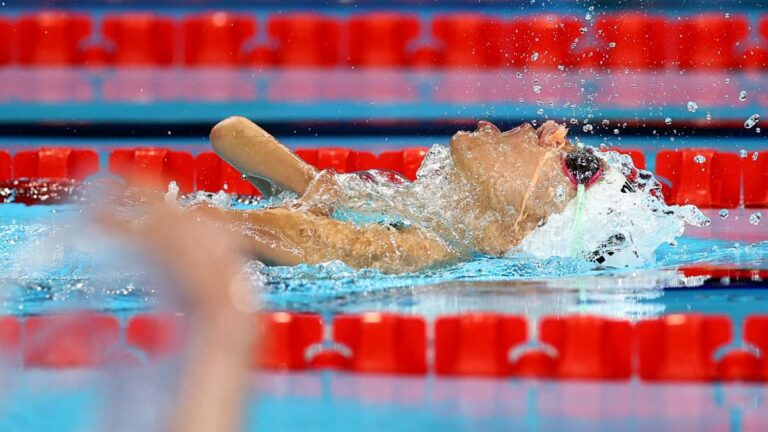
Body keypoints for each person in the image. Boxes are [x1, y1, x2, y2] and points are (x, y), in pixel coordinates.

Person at [189, 116, 610, 274]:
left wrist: (305, 210)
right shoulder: (428, 219)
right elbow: (230, 134)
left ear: (538, 205)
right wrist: (314, 184)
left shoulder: (424, 252)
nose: (516, 130)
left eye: (540, 142)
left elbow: (221, 226)